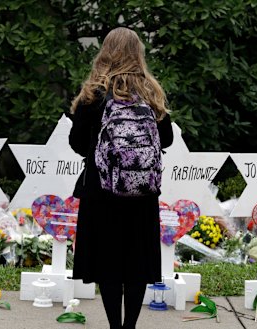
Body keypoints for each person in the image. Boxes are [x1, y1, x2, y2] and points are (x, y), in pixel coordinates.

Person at [68, 27, 173, 329]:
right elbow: (165, 140)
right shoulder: (151, 93)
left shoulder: (94, 94)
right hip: (142, 193)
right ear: (138, 54)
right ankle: (130, 327)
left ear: (105, 53)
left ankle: (115, 327)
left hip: (102, 192)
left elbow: (76, 143)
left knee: (109, 265)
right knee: (137, 265)